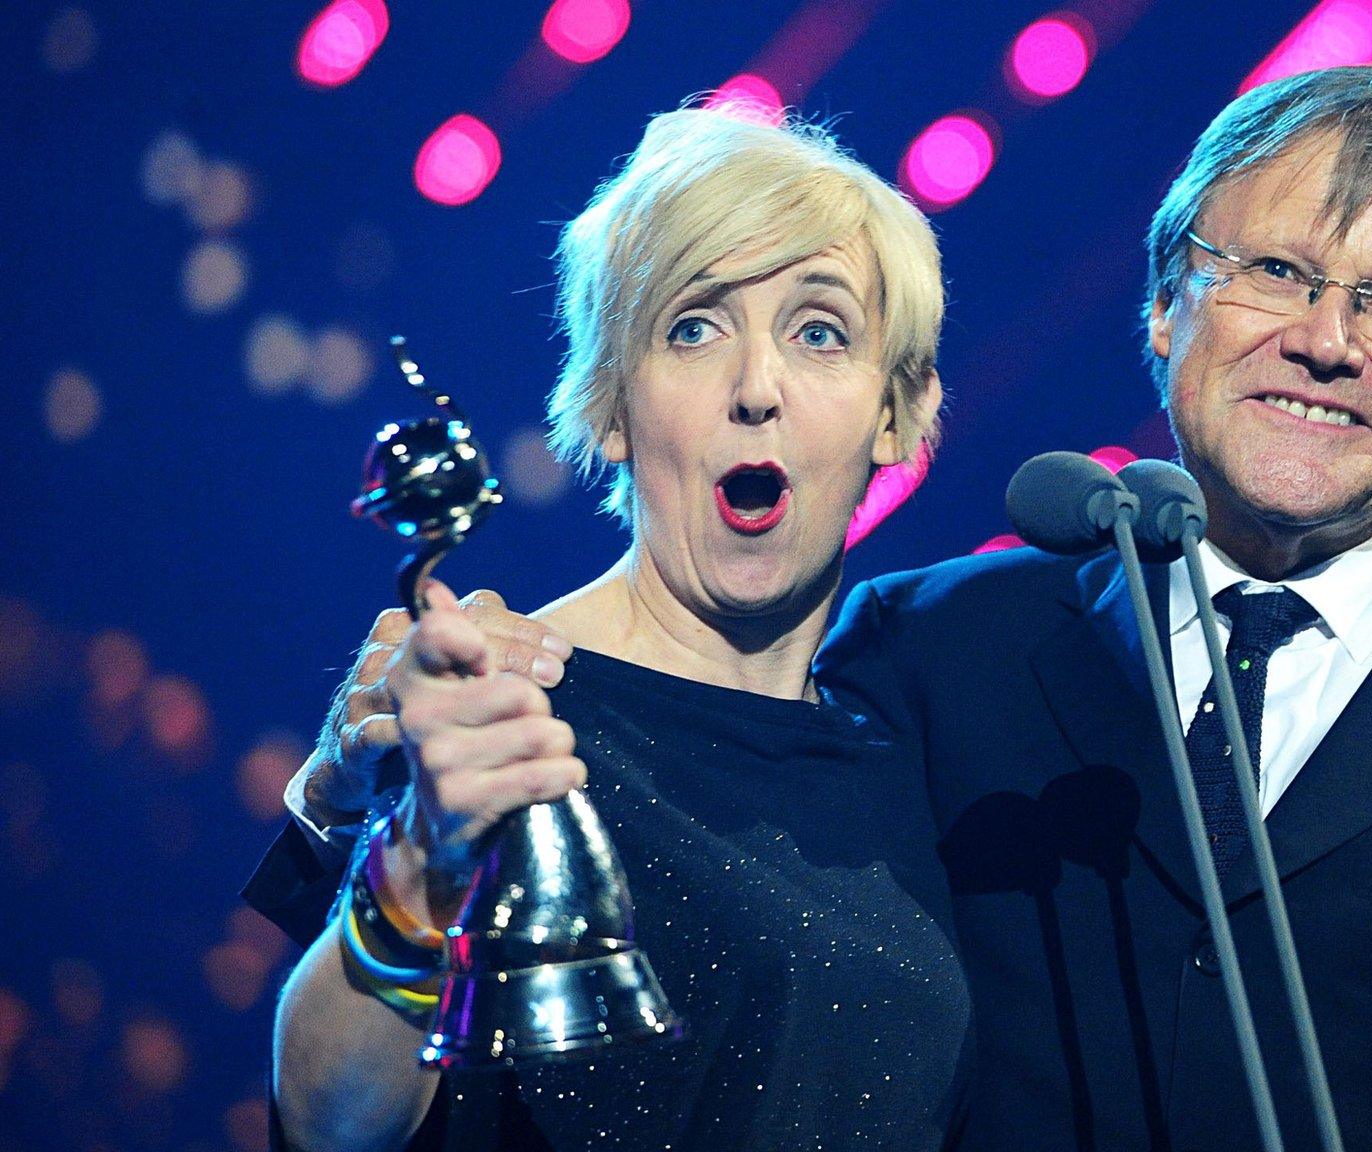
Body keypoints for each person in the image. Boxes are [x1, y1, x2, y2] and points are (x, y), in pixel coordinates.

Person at [268, 65, 1372, 1149]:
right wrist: (361, 806)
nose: (1326, 340)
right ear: (1163, 309)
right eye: (1270, 270)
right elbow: (339, 1087)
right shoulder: (944, 653)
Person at [246, 107, 967, 1152]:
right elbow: (329, 1124)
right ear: (611, 406)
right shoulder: (501, 716)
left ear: (896, 412)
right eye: (693, 327)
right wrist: (414, 870)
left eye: (819, 332)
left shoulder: (902, 755)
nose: (756, 389)